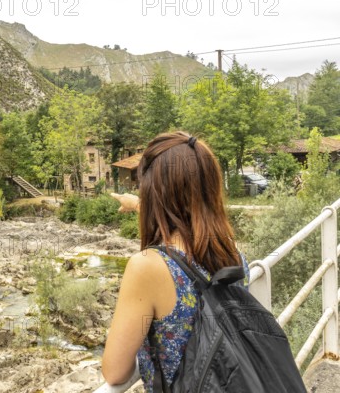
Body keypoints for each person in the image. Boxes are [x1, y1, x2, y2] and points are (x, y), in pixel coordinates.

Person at [101, 131, 250, 392]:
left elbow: (115, 372)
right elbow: (184, 223)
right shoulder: (232, 254)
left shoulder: (148, 266)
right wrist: (139, 205)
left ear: (152, 191)